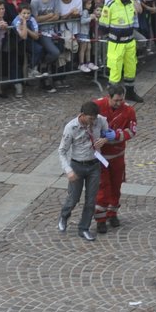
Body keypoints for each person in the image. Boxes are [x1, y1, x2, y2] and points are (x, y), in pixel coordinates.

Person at [58, 102, 111, 241]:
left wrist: (105, 139)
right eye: (90, 119)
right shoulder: (71, 127)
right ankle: (64, 216)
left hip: (94, 165)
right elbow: (62, 151)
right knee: (73, 198)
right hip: (77, 166)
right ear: (82, 115)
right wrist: (68, 170)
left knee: (91, 200)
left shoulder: (101, 120)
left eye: (94, 119)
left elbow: (109, 133)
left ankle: (84, 228)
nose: (92, 122)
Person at [91, 83, 138, 233]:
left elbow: (131, 131)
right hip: (100, 157)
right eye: (116, 100)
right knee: (103, 187)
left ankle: (112, 213)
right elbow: (86, 125)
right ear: (108, 97)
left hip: (117, 156)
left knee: (116, 186)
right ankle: (101, 219)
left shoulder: (129, 110)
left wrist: (116, 135)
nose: (119, 103)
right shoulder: (97, 106)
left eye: (121, 100)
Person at [99, 0, 142, 101]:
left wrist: (134, 0)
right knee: (115, 72)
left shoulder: (130, 3)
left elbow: (139, 11)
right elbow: (103, 26)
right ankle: (112, 98)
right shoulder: (110, 5)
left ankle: (130, 92)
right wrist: (113, 37)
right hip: (116, 44)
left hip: (129, 42)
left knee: (131, 68)